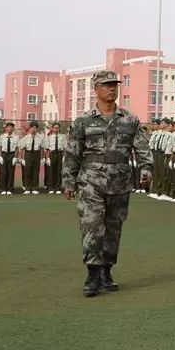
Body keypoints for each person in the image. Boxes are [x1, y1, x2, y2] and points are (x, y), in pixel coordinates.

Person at [62, 70, 151, 297]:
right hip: (91, 181)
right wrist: (69, 181)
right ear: (96, 89)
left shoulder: (130, 120)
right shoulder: (83, 121)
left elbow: (142, 148)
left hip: (120, 180)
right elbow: (72, 152)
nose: (112, 88)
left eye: (114, 85)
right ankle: (92, 275)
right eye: (106, 85)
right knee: (92, 227)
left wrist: (146, 168)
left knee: (113, 229)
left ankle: (106, 271)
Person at [17, 121, 44, 195]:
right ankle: (27, 188)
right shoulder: (26, 137)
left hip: (36, 154)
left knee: (35, 171)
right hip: (28, 154)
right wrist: (22, 159)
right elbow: (22, 149)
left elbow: (42, 149)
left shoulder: (40, 137)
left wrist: (42, 158)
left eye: (35, 128)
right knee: (27, 171)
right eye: (32, 128)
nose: (33, 129)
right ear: (30, 128)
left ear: (37, 129)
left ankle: (35, 187)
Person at [43, 122, 66, 194]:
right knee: (51, 171)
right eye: (55, 128)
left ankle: (58, 187)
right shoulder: (49, 137)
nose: (56, 129)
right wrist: (48, 158)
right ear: (52, 128)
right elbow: (47, 149)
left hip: (59, 154)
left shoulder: (63, 137)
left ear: (59, 129)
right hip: (52, 154)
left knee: (58, 171)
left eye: (58, 128)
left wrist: (64, 156)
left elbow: (64, 148)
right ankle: (51, 188)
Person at [0, 121, 17, 195]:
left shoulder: (16, 137)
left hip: (11, 154)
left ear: (13, 129)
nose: (10, 128)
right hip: (4, 155)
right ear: (5, 128)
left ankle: (10, 189)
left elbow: (17, 148)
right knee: (3, 172)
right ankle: (2, 188)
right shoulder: (2, 137)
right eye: (8, 127)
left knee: (11, 172)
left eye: (11, 127)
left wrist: (15, 157)